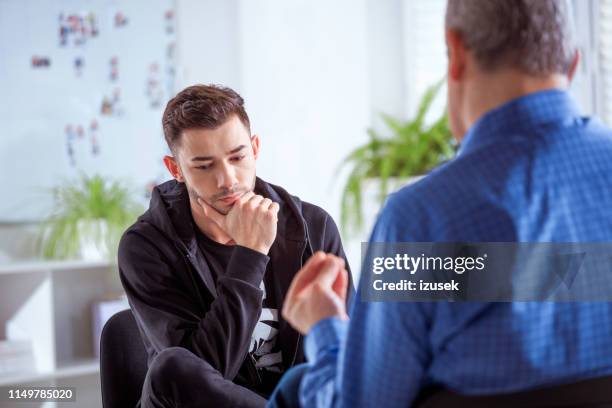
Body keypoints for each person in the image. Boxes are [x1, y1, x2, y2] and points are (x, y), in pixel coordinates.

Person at [269, 0, 612, 407]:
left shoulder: (421, 222)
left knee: (297, 386)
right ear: (573, 64)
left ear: (457, 51)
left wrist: (325, 328)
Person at [118, 84, 352, 408]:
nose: (227, 179)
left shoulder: (313, 227)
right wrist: (251, 254)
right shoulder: (146, 247)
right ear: (176, 169)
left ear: (255, 149)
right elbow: (199, 380)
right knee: (171, 370)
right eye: (204, 165)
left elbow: (347, 354)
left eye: (237, 157)